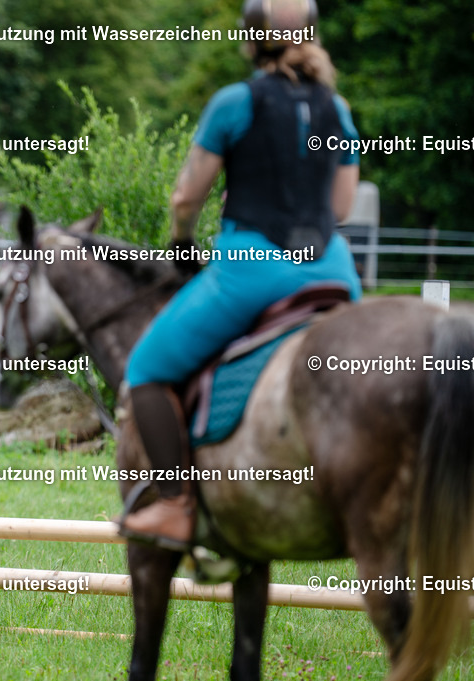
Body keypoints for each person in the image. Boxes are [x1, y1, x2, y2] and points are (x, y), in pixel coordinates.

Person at [118, 0, 362, 551]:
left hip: (255, 269)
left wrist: (182, 239)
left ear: (253, 40)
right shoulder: (336, 108)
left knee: (147, 369)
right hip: (332, 272)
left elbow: (186, 196)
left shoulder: (235, 102)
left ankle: (177, 507)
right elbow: (341, 205)